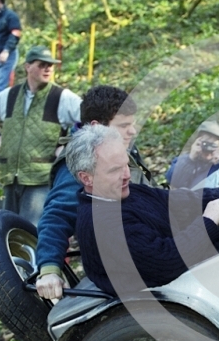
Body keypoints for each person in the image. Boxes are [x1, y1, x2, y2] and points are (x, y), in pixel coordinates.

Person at [68, 125, 219, 296]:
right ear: (86, 178)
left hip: (191, 260)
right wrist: (209, 222)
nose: (127, 175)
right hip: (182, 286)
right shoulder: (103, 225)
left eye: (126, 166)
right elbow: (167, 262)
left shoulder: (121, 194)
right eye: (114, 170)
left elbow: (182, 201)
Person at [34, 85, 157, 300]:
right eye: (124, 125)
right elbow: (57, 215)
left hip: (151, 238)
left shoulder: (117, 146)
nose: (133, 131)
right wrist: (49, 270)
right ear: (96, 126)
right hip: (130, 264)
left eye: (133, 123)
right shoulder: (83, 162)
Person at [0, 45, 81, 227]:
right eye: (42, 64)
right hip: (8, 176)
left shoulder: (61, 97)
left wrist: (66, 147)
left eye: (50, 65)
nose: (48, 69)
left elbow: (90, 121)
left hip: (41, 178)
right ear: (28, 67)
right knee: (4, 231)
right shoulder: (10, 95)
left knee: (32, 232)